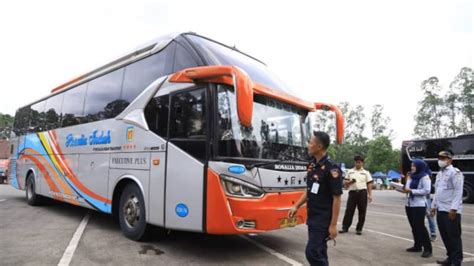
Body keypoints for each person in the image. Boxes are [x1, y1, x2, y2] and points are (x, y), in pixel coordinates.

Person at [289, 131, 343, 266]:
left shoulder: (332, 168)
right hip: (313, 216)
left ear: (319, 147)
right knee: (320, 251)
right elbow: (309, 190)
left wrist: (333, 225)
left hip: (323, 219)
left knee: (312, 252)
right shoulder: (312, 165)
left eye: (310, 142)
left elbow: (337, 198)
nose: (308, 145)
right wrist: (296, 206)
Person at [431, 151, 464, 266]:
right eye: (439, 158)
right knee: (445, 235)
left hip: (451, 210)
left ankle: (456, 261)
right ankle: (450, 257)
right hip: (441, 209)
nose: (440, 160)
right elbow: (437, 191)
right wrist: (433, 206)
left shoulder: (455, 173)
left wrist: (454, 209)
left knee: (454, 236)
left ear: (450, 160)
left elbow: (458, 192)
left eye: (443, 158)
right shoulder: (440, 174)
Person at [397, 159, 433, 258]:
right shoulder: (410, 176)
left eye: (414, 166)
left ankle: (428, 249)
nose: (412, 167)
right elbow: (407, 188)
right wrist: (402, 189)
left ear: (419, 167)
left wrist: (412, 191)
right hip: (409, 204)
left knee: (420, 227)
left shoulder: (424, 177)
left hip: (419, 205)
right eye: (412, 165)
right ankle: (417, 245)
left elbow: (426, 191)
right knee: (414, 226)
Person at [339, 155, 373, 235]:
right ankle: (345, 227)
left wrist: (370, 194)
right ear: (354, 162)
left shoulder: (366, 173)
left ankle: (359, 229)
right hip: (352, 193)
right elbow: (345, 184)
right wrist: (350, 182)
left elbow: (369, 184)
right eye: (356, 162)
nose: (358, 164)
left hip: (362, 193)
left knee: (362, 211)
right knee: (349, 211)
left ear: (362, 163)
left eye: (359, 162)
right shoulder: (350, 172)